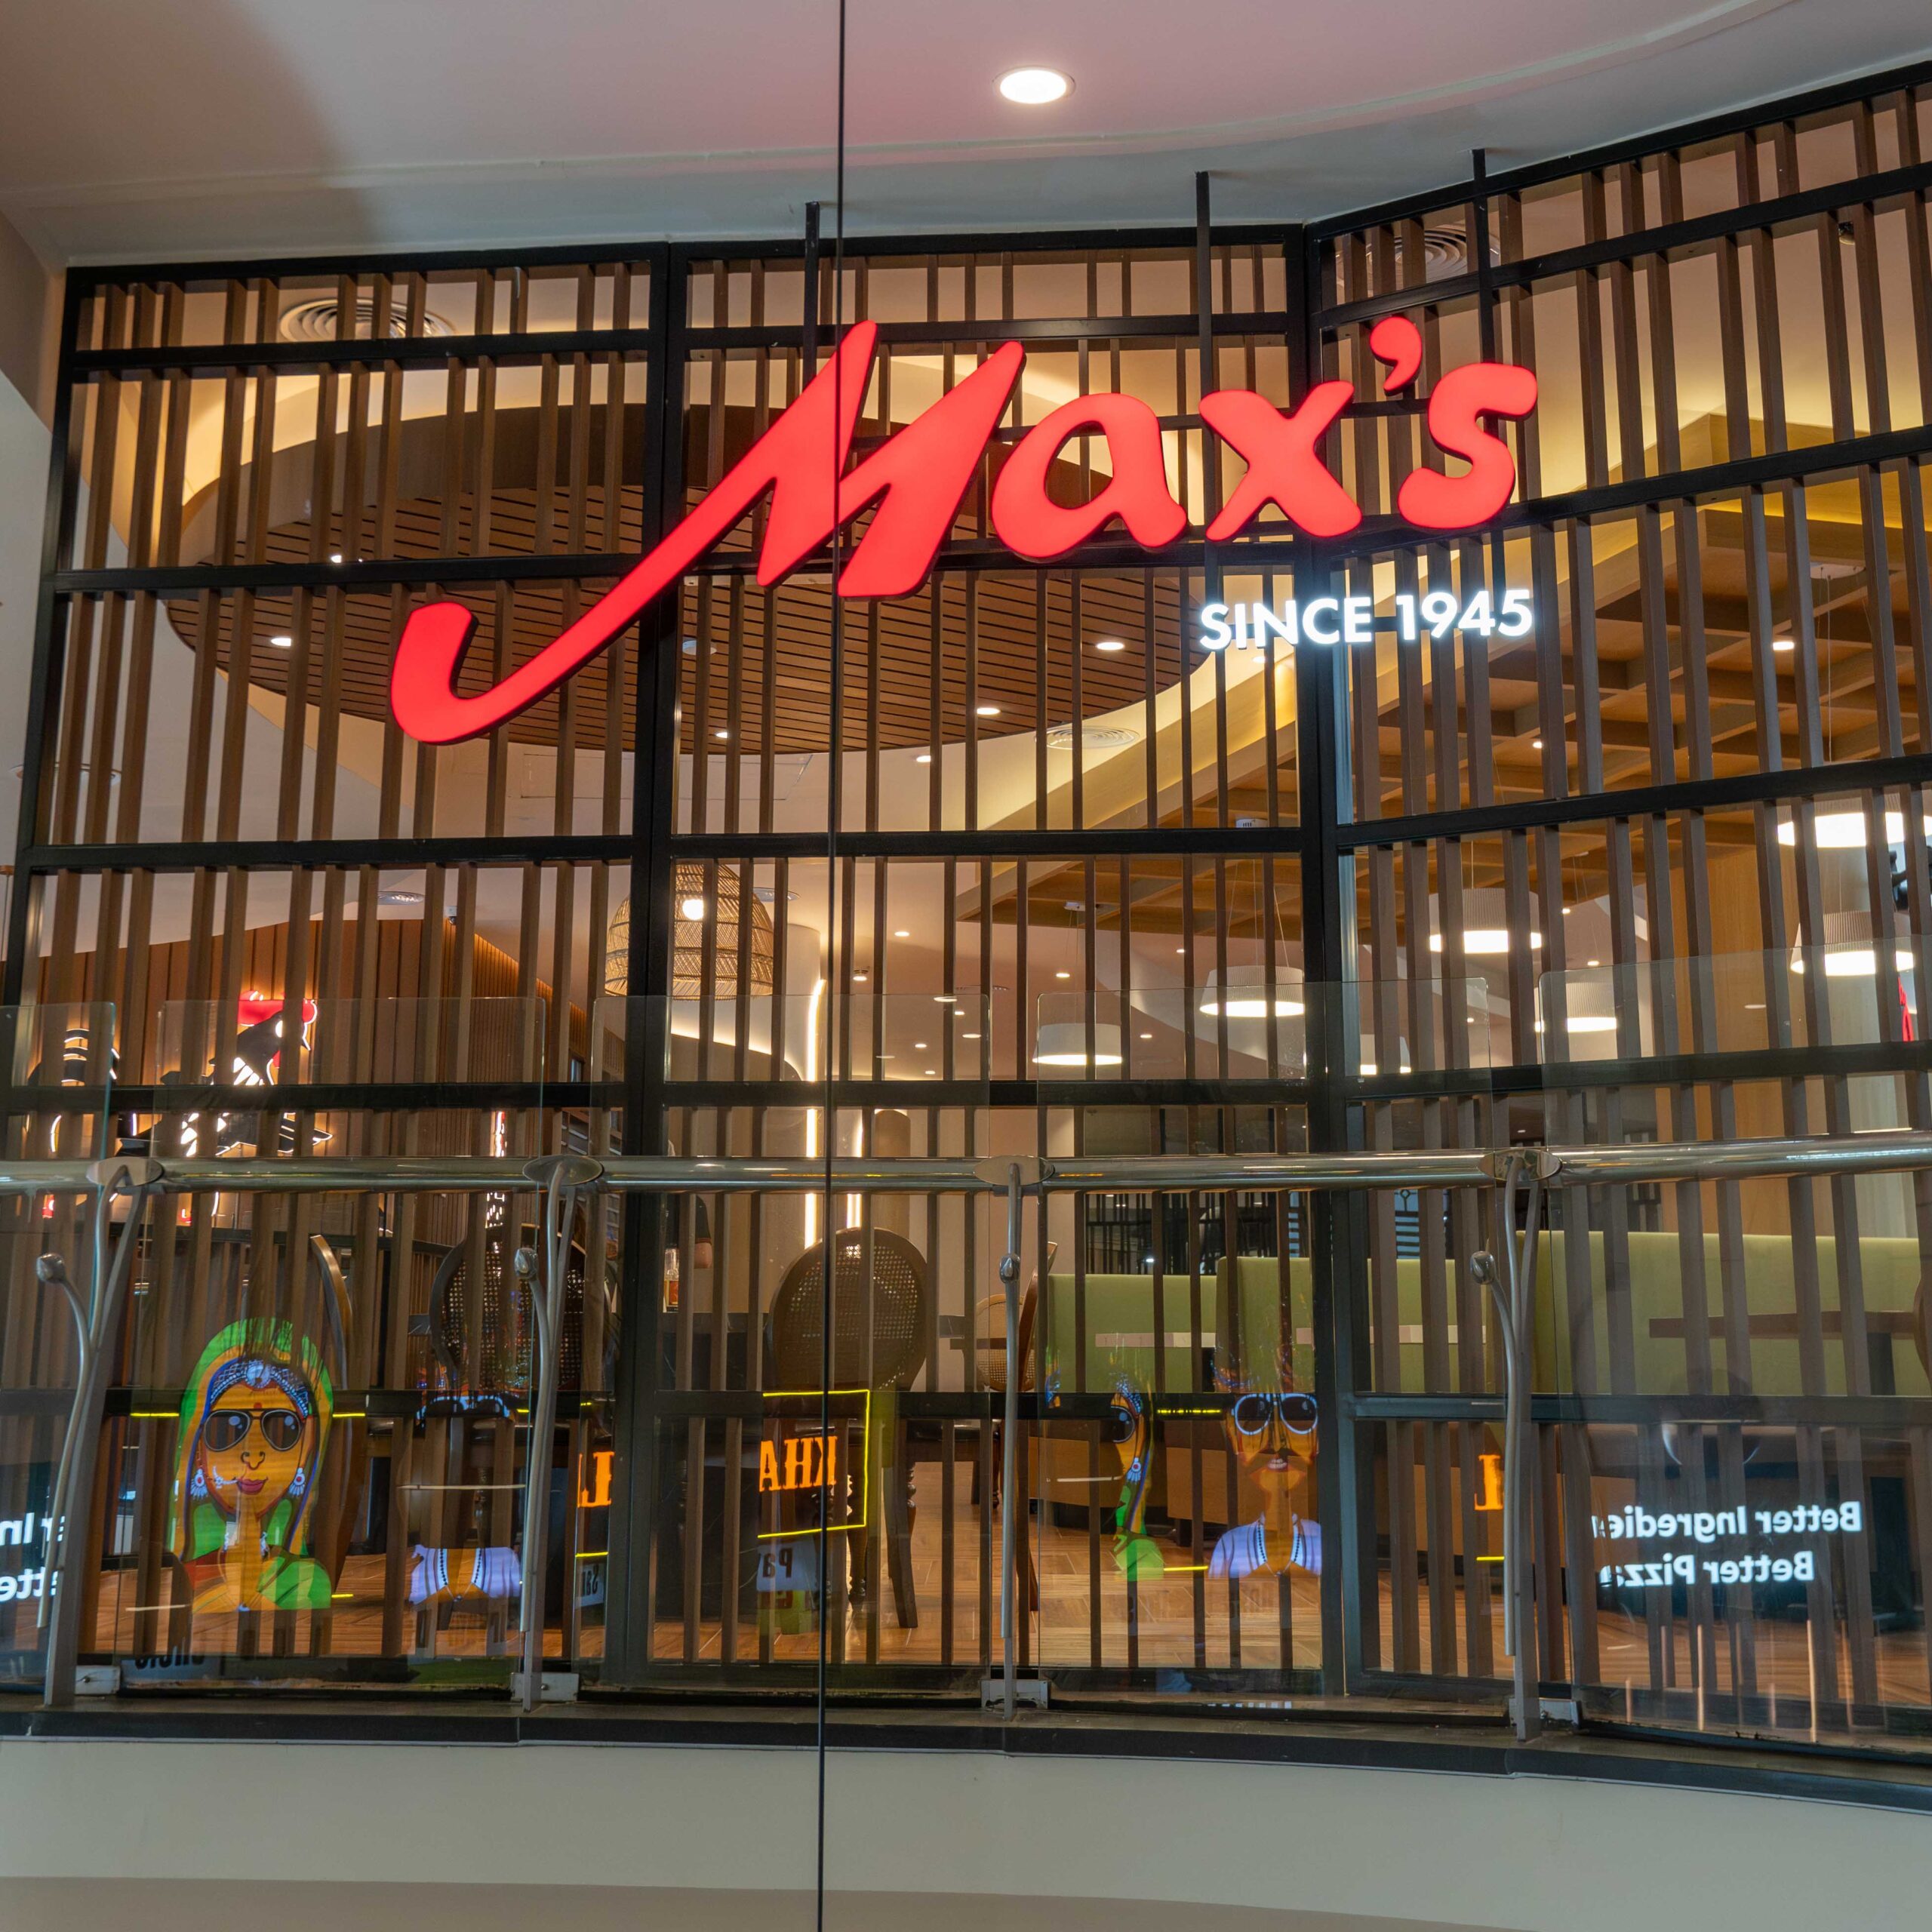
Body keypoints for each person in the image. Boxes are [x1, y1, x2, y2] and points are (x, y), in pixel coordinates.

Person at [170, 1318, 335, 1613]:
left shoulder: (304, 1581)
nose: (253, 1455)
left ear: (306, 1449)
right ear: (198, 1449)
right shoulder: (176, 1579)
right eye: (228, 1429)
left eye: (282, 1429)